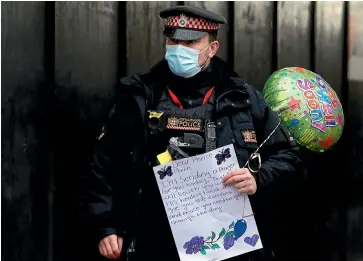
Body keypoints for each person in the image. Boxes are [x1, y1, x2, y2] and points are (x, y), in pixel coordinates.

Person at [80, 5, 304, 261]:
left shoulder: (242, 99)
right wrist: (106, 227)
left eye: (191, 41)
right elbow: (103, 164)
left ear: (212, 48)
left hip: (227, 246)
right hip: (153, 242)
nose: (180, 48)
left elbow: (289, 156)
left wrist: (258, 177)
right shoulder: (139, 98)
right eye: (174, 39)